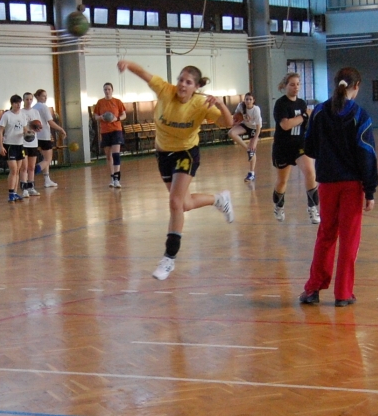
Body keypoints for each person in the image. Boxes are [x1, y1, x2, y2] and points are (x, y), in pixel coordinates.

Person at [117, 60, 234, 281]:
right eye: (180, 79)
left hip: (186, 153)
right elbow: (143, 72)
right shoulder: (165, 90)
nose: (182, 84)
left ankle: (169, 257)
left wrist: (220, 104)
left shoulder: (201, 104)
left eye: (188, 82)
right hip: (163, 154)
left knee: (174, 202)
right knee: (184, 204)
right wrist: (127, 64)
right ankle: (219, 199)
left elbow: (228, 123)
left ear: (196, 87)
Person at [299, 67, 378, 307]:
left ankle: (312, 289)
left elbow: (309, 147)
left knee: (326, 235)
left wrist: (328, 153)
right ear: (357, 86)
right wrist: (370, 190)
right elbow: (367, 155)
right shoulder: (360, 115)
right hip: (351, 185)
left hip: (327, 184)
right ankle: (343, 293)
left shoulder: (319, 112)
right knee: (349, 238)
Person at [272, 73, 320, 224]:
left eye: (298, 84)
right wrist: (304, 116)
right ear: (285, 86)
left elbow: (305, 124)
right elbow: (285, 125)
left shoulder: (301, 103)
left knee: (310, 173)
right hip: (283, 147)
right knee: (282, 181)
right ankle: (279, 206)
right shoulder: (281, 104)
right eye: (292, 84)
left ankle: (312, 208)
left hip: (299, 145)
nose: (296, 87)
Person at [93, 82, 127, 188]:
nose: (107, 91)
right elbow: (95, 116)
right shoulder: (100, 102)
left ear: (112, 90)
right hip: (105, 131)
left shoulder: (117, 102)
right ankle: (112, 177)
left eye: (109, 89)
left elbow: (124, 115)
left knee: (116, 154)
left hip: (116, 130)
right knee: (109, 156)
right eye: (105, 89)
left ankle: (117, 179)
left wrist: (116, 118)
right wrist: (101, 117)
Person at [0, 94, 30, 202]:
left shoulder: (23, 115)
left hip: (20, 145)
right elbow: (0, 131)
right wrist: (1, 146)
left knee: (18, 171)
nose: (18, 105)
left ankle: (15, 193)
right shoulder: (7, 115)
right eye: (16, 103)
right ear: (12, 104)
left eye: (19, 103)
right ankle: (11, 193)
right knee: (13, 169)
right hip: (10, 145)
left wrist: (29, 133)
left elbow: (25, 129)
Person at [32, 89, 67, 188]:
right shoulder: (43, 107)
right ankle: (35, 169)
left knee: (45, 158)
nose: (45, 98)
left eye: (46, 96)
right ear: (37, 96)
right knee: (48, 159)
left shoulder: (33, 108)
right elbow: (50, 122)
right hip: (44, 136)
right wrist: (61, 129)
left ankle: (47, 180)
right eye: (43, 96)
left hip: (36, 136)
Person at [228, 92, 262, 183]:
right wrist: (235, 121)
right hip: (245, 125)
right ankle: (247, 149)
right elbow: (236, 116)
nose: (248, 101)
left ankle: (251, 173)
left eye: (250, 99)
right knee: (231, 132)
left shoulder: (256, 110)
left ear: (253, 101)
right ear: (244, 100)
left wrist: (255, 140)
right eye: (247, 99)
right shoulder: (241, 106)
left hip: (255, 128)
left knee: (252, 149)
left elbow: (259, 127)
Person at [19, 92, 43, 197]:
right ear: (23, 100)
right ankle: (24, 189)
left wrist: (37, 128)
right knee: (24, 167)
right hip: (23, 143)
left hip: (33, 142)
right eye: (27, 99)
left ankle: (31, 187)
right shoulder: (20, 112)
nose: (29, 101)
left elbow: (40, 126)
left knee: (31, 167)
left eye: (30, 99)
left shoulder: (35, 112)